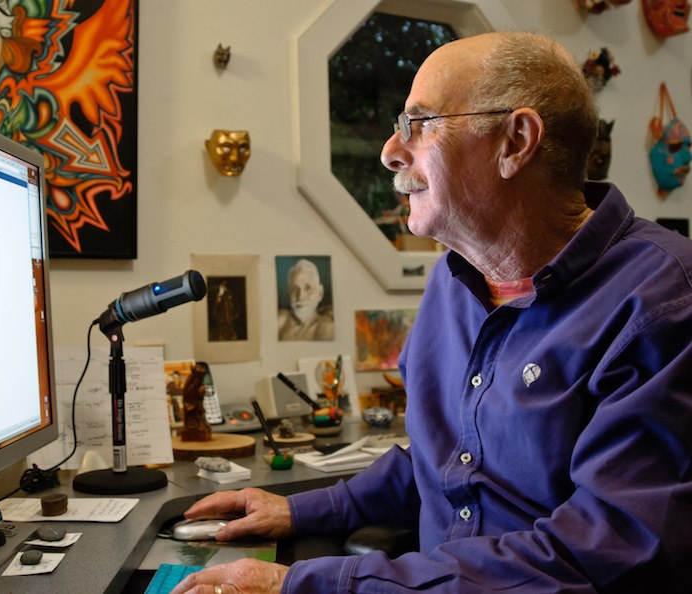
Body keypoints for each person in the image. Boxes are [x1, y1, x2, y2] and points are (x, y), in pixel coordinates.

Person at [170, 31, 692, 593]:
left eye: (419, 124)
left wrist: (314, 584)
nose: (390, 151)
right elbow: (443, 465)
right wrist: (301, 512)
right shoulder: (453, 281)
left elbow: (605, 556)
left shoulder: (663, 301)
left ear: (516, 141)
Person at [277, 258, 334, 341]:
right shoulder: (281, 320)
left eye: (308, 288)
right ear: (288, 293)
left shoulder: (328, 329)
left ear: (320, 293)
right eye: (294, 289)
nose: (300, 297)